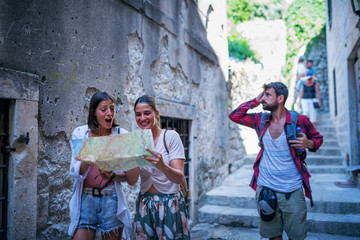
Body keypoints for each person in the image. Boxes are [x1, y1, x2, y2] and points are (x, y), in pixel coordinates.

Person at [229, 82, 323, 240]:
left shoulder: (300, 120)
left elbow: (318, 138)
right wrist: (254, 101)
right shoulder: (260, 119)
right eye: (263, 95)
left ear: (280, 98)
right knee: (273, 236)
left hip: (292, 190)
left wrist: (309, 143)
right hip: (266, 189)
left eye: (267, 95)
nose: (263, 99)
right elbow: (234, 116)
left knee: (296, 236)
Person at [68, 91, 132, 240]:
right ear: (94, 113)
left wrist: (114, 175)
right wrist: (87, 161)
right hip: (85, 201)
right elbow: (75, 172)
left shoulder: (122, 135)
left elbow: (128, 178)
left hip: (111, 200)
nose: (109, 113)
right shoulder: (80, 133)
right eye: (103, 109)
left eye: (112, 109)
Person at [128, 94, 190, 239]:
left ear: (156, 114)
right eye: (138, 114)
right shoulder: (136, 141)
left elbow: (179, 178)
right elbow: (131, 181)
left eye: (147, 113)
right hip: (144, 204)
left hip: (169, 205)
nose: (142, 118)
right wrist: (132, 160)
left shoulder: (170, 137)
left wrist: (162, 166)